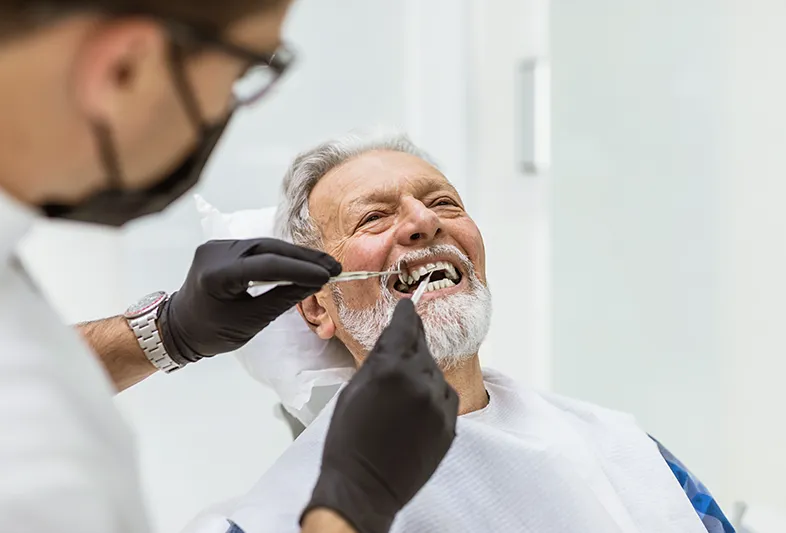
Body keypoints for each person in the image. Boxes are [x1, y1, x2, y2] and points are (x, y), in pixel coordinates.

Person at [0, 2, 458, 532]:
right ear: (125, 68)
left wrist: (167, 332)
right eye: (244, 75)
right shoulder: (33, 463)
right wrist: (348, 512)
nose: (424, 222)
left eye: (446, 203)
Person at [187, 131, 736, 533]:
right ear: (317, 307)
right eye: (372, 218)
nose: (424, 222)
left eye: (443, 202)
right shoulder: (276, 515)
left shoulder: (625, 451)